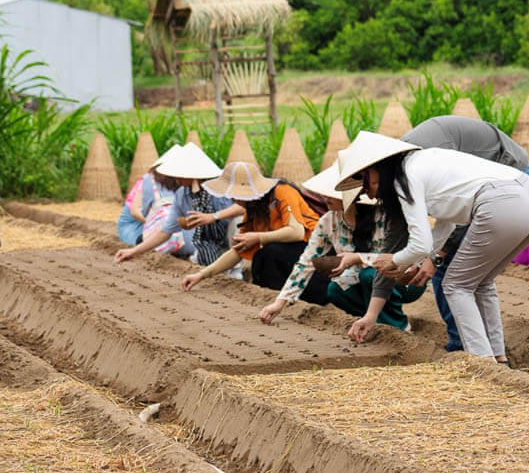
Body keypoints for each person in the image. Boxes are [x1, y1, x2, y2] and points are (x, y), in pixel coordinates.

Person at [335, 131, 529, 364]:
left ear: (379, 168)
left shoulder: (403, 177)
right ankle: (498, 358)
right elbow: (448, 222)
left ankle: (483, 363)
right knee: (482, 283)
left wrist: (396, 260)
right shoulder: (426, 162)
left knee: (455, 285)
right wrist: (420, 260)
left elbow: (420, 243)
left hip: (502, 201)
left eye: (365, 182)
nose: (368, 192)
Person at [396, 115, 529, 352]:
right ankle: (493, 355)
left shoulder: (426, 160)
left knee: (453, 277)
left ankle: (468, 350)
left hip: (508, 178)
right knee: (477, 281)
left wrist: (435, 258)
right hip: (504, 187)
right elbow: (446, 215)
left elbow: (459, 215)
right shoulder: (419, 155)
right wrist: (425, 257)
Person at [259, 163, 425, 333]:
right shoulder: (328, 221)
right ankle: (372, 321)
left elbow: (391, 258)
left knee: (369, 274)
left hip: (406, 276)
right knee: (335, 289)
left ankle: (399, 326)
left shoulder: (381, 216)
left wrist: (356, 258)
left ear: (351, 195)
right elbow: (307, 262)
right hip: (368, 279)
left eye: (332, 194)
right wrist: (280, 302)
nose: (325, 198)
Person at [182, 161, 326, 298]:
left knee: (268, 253)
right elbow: (238, 250)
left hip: (317, 255)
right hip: (293, 259)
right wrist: (201, 275)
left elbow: (297, 232)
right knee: (263, 256)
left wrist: (258, 237)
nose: (233, 200)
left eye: (236, 195)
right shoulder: (253, 209)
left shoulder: (283, 192)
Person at [113, 143, 231, 266]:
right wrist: (133, 251)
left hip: (230, 240)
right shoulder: (182, 194)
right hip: (208, 247)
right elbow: (165, 231)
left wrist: (214, 216)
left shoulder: (219, 188)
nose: (176, 178)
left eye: (180, 173)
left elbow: (240, 208)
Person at [117, 166, 156, 246]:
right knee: (147, 243)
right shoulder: (148, 180)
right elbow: (134, 212)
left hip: (150, 223)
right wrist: (155, 224)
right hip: (132, 225)